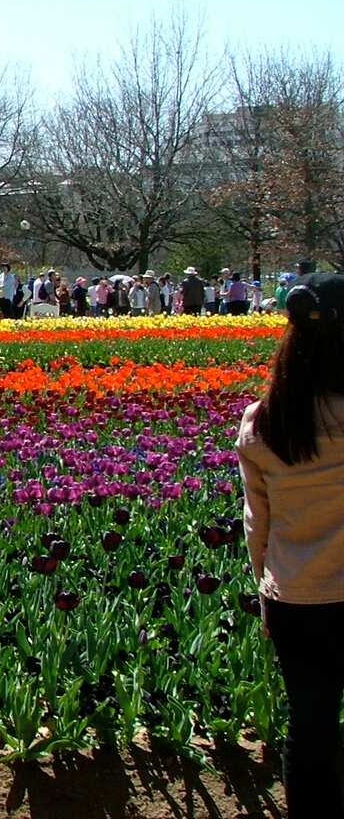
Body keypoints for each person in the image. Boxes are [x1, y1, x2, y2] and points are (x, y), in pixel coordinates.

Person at [237, 273, 344, 818]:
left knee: (310, 724)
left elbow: (258, 524)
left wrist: (266, 588)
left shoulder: (264, 421)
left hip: (296, 596)